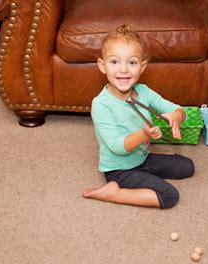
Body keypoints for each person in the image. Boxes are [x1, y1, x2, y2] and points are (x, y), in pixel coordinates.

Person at [82, 25, 195, 209]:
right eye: (114, 62)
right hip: (119, 170)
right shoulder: (101, 104)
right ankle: (114, 193)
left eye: (132, 63)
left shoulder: (144, 92)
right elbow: (117, 146)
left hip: (141, 157)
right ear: (102, 65)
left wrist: (177, 116)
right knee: (169, 196)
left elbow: (177, 108)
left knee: (187, 167)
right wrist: (144, 134)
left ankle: (149, 161)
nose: (124, 70)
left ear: (142, 67)